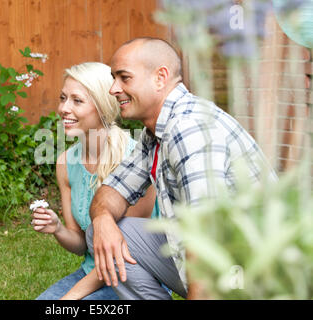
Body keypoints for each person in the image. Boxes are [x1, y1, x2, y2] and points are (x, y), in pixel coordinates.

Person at [87, 37, 277, 299]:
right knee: (108, 232)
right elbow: (111, 192)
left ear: (160, 77)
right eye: (113, 78)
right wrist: (102, 220)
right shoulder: (155, 131)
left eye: (124, 78)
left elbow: (206, 238)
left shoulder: (189, 129)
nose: (113, 89)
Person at [33, 62, 160, 300]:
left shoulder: (136, 161)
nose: (64, 108)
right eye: (63, 98)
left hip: (133, 274)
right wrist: (57, 229)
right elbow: (82, 244)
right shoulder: (66, 163)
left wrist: (68, 299)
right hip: (92, 273)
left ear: (102, 106)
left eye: (77, 101)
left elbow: (125, 246)